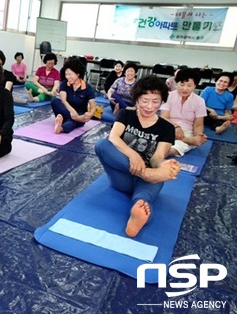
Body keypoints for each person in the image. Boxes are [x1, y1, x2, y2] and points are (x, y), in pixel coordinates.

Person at [94, 76, 181, 238]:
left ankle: (139, 213)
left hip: (147, 181)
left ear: (162, 101)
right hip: (122, 176)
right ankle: (148, 178)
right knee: (101, 145)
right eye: (145, 100)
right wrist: (133, 156)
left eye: (155, 101)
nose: (149, 106)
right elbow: (113, 137)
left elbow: (157, 158)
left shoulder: (167, 127)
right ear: (137, 99)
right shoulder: (125, 114)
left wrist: (163, 167)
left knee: (148, 192)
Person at [160, 68, 207, 157]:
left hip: (187, 131)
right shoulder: (169, 96)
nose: (185, 88)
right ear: (176, 83)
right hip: (168, 127)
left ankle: (165, 152)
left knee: (178, 146)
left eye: (189, 86)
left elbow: (198, 124)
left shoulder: (199, 101)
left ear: (195, 86)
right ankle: (188, 140)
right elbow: (164, 117)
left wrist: (198, 136)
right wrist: (176, 127)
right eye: (182, 84)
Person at [51, 58, 96, 134]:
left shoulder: (88, 88)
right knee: (54, 101)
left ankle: (61, 128)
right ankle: (72, 120)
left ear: (77, 74)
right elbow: (63, 100)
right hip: (66, 110)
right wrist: (73, 113)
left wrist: (90, 114)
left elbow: (93, 106)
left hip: (80, 114)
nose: (67, 77)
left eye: (70, 74)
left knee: (73, 122)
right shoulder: (64, 84)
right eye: (66, 74)